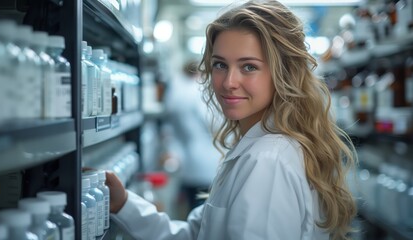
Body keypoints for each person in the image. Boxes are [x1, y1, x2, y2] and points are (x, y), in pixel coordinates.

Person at [105, 0, 358, 239]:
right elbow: (195, 235)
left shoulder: (268, 161)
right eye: (220, 65)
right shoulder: (258, 147)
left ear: (284, 74)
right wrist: (123, 204)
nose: (228, 83)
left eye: (248, 67)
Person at [160, 60, 221, 214]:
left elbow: (170, 132)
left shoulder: (176, 92)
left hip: (187, 166)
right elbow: (214, 123)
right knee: (207, 213)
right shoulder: (201, 91)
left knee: (193, 210)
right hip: (209, 164)